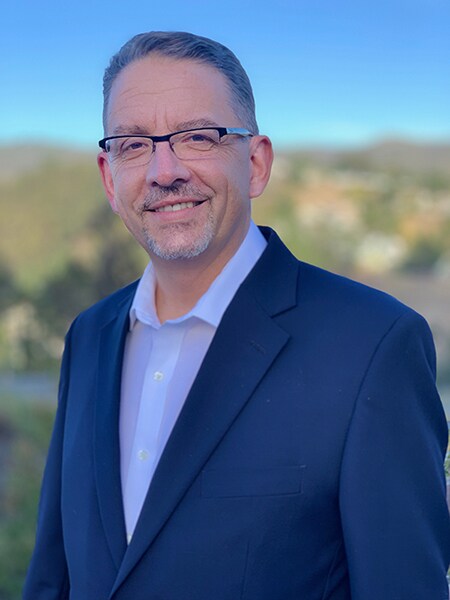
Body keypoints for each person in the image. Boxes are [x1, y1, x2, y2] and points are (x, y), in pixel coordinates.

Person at [24, 31, 450, 600]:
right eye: (133, 144)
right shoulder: (89, 335)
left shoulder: (373, 346)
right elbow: (54, 576)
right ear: (109, 177)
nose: (164, 171)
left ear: (255, 163)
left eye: (197, 137)